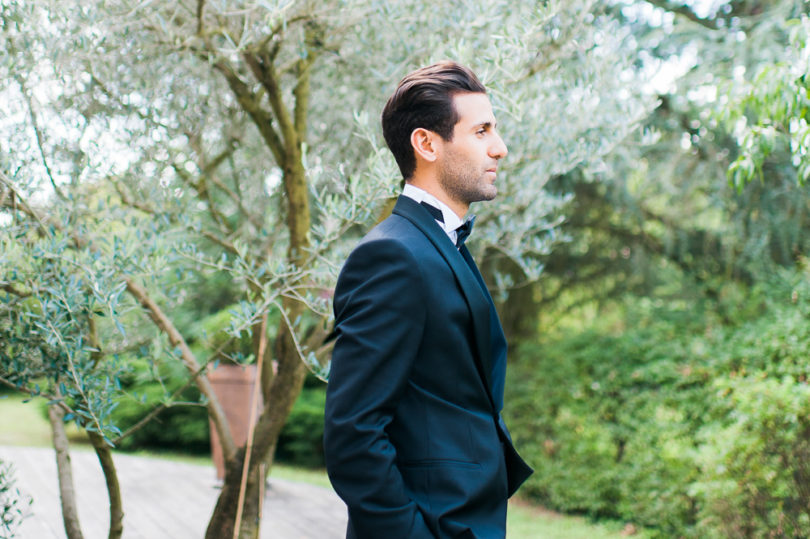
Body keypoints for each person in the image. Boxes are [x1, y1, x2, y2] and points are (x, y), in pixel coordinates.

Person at [323, 61, 533, 539]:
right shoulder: (392, 256)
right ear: (427, 144)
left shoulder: (440, 244)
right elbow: (353, 434)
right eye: (481, 131)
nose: (499, 148)